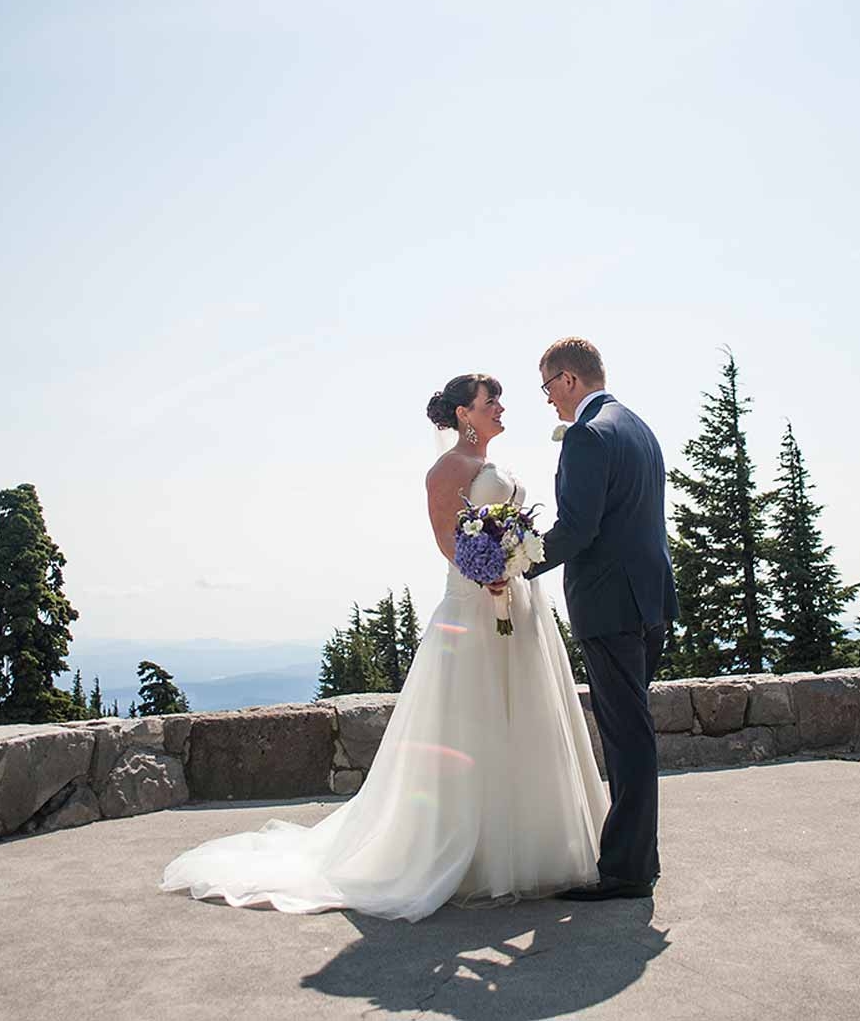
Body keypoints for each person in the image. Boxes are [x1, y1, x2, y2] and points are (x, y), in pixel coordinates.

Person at [160, 372, 607, 922]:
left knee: (526, 721)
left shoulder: (500, 466)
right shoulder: (447, 470)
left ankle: (535, 844)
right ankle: (470, 854)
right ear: (464, 414)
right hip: (474, 604)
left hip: (520, 602)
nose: (501, 408)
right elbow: (448, 539)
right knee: (473, 724)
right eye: (492, 402)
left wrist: (516, 564)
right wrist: (489, 572)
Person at [528, 337, 677, 901]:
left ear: (568, 380)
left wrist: (516, 564)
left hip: (609, 603)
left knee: (626, 733)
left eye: (547, 388)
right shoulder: (638, 427)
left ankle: (627, 871)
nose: (548, 401)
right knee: (632, 729)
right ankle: (639, 859)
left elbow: (578, 527)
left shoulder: (588, 435)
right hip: (648, 600)